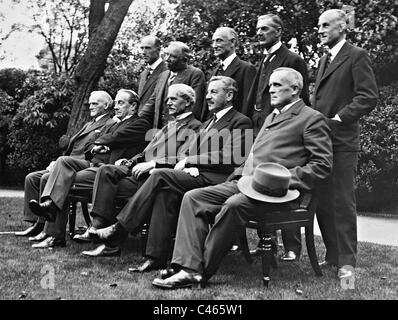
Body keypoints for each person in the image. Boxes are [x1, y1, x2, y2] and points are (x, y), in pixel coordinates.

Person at [151, 67, 332, 289]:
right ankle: (186, 264)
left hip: (278, 193)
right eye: (270, 85)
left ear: (295, 89)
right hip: (245, 183)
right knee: (193, 197)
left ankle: (197, 271)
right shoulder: (272, 116)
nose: (270, 90)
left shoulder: (311, 118)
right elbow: (253, 155)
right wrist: (235, 177)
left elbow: (322, 166)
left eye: (276, 85)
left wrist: (279, 180)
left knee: (233, 205)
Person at [88, 76, 253, 269]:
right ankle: (155, 258)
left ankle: (120, 229)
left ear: (230, 95)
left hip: (219, 179)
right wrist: (184, 161)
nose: (207, 97)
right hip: (195, 175)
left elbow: (231, 158)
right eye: (207, 92)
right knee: (164, 193)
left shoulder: (241, 121)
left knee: (160, 175)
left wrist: (189, 161)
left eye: (213, 92)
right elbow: (186, 153)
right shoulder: (208, 122)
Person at [72, 84, 202, 244]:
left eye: (173, 99)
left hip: (155, 178)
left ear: (188, 102)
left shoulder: (195, 127)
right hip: (137, 171)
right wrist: (131, 161)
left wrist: (153, 163)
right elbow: (145, 152)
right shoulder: (168, 125)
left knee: (107, 188)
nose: (168, 103)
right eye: (167, 99)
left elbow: (183, 158)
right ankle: (97, 226)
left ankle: (110, 241)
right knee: (106, 171)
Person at [28, 89, 151, 248]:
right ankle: (50, 212)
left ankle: (54, 234)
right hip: (94, 162)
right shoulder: (113, 122)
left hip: (110, 169)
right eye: (116, 102)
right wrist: (97, 147)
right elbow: (90, 145)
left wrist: (100, 144)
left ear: (133, 106)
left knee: (53, 180)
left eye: (121, 103)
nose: (116, 106)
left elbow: (115, 138)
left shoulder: (140, 123)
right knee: (63, 160)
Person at [313, 9, 378, 279]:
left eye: (325, 25)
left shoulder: (356, 55)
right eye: (318, 25)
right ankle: (332, 255)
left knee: (342, 201)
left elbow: (368, 97)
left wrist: (338, 119)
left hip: (342, 141)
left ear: (343, 27)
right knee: (323, 202)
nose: (320, 29)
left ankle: (347, 263)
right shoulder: (323, 60)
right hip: (320, 142)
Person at [246, 13, 311, 261]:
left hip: (286, 132)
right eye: (257, 28)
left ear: (278, 32)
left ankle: (292, 247)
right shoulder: (264, 59)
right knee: (261, 186)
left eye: (264, 29)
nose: (259, 33)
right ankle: (268, 243)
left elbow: (302, 98)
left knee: (283, 182)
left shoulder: (292, 59)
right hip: (262, 130)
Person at [14, 91, 114, 238]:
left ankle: (50, 228)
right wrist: (56, 162)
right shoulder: (89, 124)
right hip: (69, 162)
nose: (90, 106)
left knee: (46, 178)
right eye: (90, 103)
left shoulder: (110, 124)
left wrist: (62, 161)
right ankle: (38, 223)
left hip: (86, 164)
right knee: (32, 178)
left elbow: (97, 151)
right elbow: (72, 149)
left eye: (95, 103)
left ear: (106, 105)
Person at [139, 41, 206, 128]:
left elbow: (195, 107)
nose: (167, 59)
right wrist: (134, 121)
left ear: (185, 60)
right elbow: (151, 102)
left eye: (173, 56)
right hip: (160, 129)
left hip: (182, 129)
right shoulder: (163, 75)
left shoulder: (195, 74)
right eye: (166, 54)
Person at [202, 27, 256, 118]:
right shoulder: (213, 73)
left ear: (232, 42)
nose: (214, 45)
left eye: (219, 41)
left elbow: (247, 106)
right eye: (213, 41)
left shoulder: (247, 69)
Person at [137, 35, 168, 110]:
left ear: (158, 50)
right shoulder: (143, 74)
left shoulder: (167, 71)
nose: (144, 52)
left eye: (147, 48)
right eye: (142, 48)